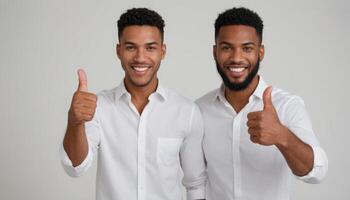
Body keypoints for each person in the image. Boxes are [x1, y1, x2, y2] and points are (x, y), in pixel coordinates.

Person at [60, 8, 206, 200]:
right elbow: (75, 167)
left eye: (150, 48)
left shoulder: (186, 112)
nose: (140, 57)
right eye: (131, 47)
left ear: (163, 51)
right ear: (118, 50)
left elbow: (196, 185)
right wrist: (74, 122)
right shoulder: (99, 107)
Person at [196, 7, 328, 200]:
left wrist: (282, 136)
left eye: (247, 48)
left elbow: (318, 172)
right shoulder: (199, 110)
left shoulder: (287, 106)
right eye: (226, 48)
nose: (236, 58)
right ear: (215, 52)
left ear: (261, 52)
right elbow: (195, 180)